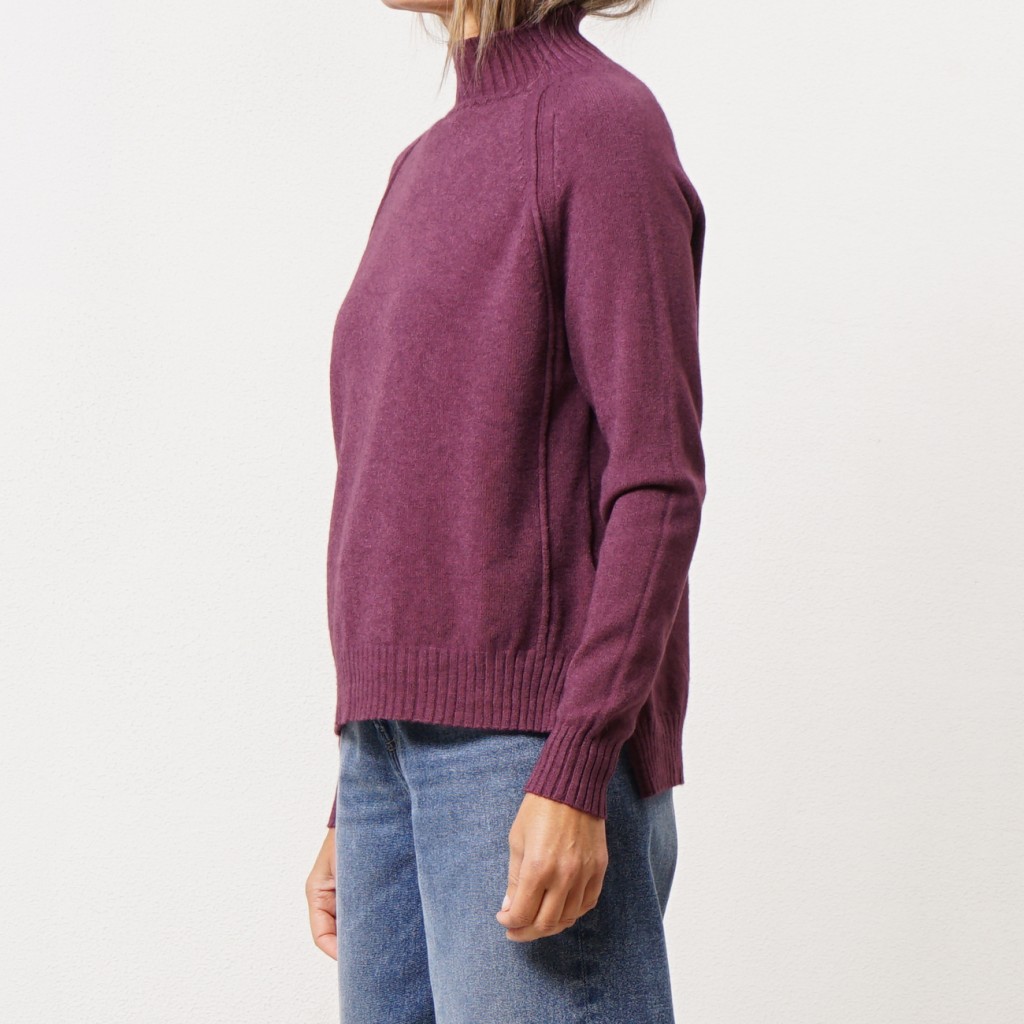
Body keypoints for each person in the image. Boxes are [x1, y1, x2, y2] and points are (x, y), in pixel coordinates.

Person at [305, 1, 707, 1020]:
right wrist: (356, 782)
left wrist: (577, 762)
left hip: (523, 754)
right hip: (386, 760)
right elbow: (410, 486)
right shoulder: (421, 165)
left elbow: (657, 477)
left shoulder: (598, 125)